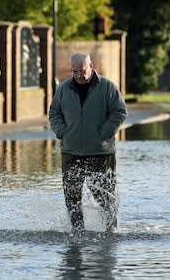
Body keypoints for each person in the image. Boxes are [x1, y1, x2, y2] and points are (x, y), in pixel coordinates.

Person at [48, 52, 127, 234]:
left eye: (82, 71)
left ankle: (110, 229)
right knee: (72, 196)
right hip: (71, 151)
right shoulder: (64, 88)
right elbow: (54, 113)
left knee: (103, 195)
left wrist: (105, 133)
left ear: (91, 66)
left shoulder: (107, 87)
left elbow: (120, 111)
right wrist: (62, 132)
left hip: (100, 151)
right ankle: (78, 231)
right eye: (75, 72)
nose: (79, 76)